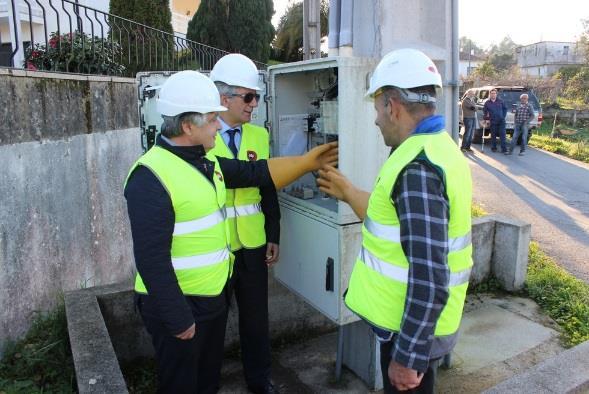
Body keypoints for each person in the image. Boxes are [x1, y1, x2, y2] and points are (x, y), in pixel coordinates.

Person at [124, 70, 337, 394]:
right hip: (179, 304)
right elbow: (151, 260)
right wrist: (178, 318)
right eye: (212, 120)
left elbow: (256, 172)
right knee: (181, 384)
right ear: (187, 126)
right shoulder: (150, 176)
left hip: (210, 299)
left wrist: (306, 162)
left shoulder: (206, 162)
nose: (217, 127)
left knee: (207, 381)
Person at [317, 48, 473, 394]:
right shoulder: (439, 148)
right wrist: (349, 191)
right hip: (413, 326)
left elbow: (430, 274)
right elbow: (401, 227)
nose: (375, 119)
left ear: (392, 105)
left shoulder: (417, 167)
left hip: (410, 333)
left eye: (377, 109)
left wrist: (409, 357)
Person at [208, 53, 279, 394]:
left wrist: (273, 234)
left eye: (257, 97)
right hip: (218, 251)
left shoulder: (258, 136)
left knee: (256, 323)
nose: (255, 104)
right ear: (225, 99)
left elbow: (268, 188)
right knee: (212, 325)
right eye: (248, 97)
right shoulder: (204, 138)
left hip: (252, 247)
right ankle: (206, 383)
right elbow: (233, 177)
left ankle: (259, 380)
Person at [483, 88, 508, 153]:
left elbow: (505, 109)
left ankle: (504, 149)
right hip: (493, 121)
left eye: (494, 93)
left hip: (501, 121)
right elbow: (485, 112)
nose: (493, 95)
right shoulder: (487, 103)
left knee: (502, 135)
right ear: (490, 94)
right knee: (493, 135)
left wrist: (503, 116)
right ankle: (494, 148)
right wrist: (487, 119)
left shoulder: (501, 101)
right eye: (491, 93)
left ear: (496, 94)